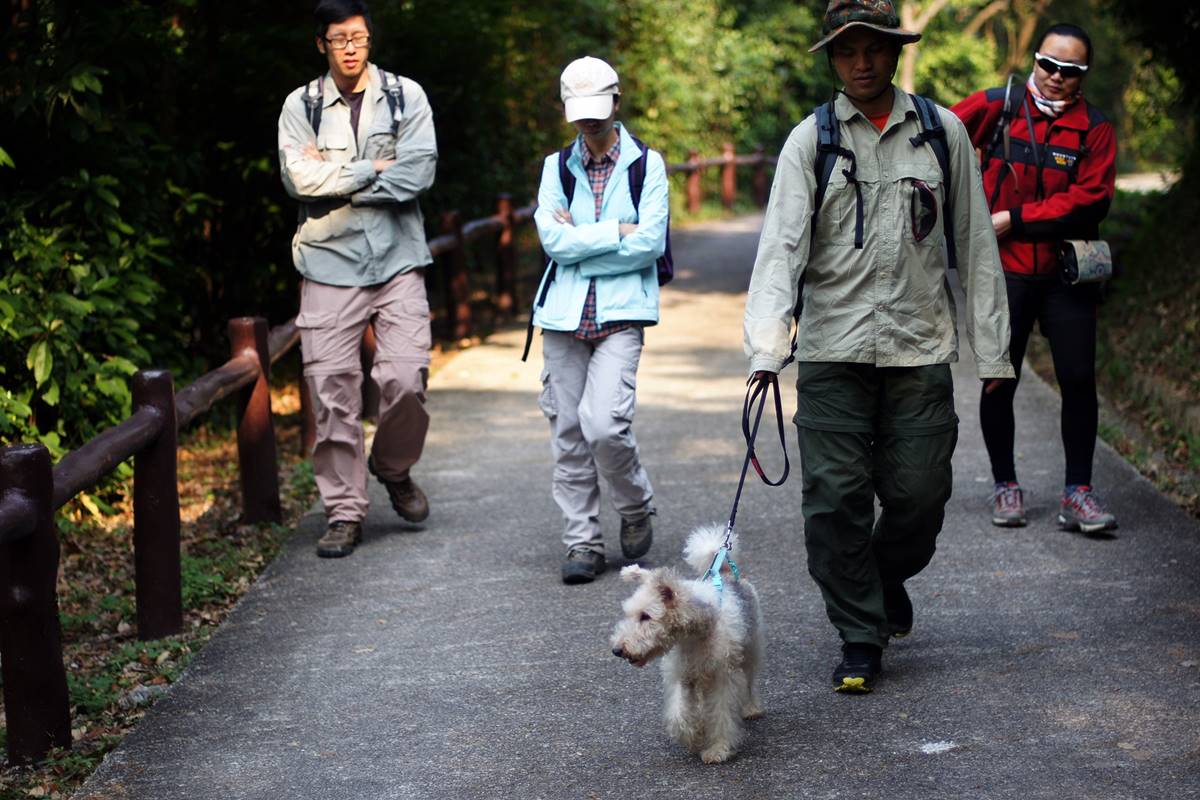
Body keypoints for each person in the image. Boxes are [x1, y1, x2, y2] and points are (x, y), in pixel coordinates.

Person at [743, 0, 1014, 692]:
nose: (861, 64)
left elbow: (975, 244)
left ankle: (881, 580)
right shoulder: (811, 139)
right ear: (833, 59)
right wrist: (767, 350)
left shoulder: (942, 132)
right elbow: (780, 250)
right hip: (832, 350)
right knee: (834, 502)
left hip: (919, 347)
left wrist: (994, 352)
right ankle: (860, 636)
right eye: (847, 51)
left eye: (873, 49)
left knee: (920, 497)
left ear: (895, 51)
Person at [278, 0, 438, 558]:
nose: (351, 48)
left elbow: (419, 172)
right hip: (327, 262)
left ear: (370, 39)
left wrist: (340, 182)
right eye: (339, 38)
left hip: (398, 258)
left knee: (407, 377)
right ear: (320, 43)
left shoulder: (405, 95)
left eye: (359, 37)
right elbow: (298, 179)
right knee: (332, 394)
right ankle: (344, 511)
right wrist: (372, 169)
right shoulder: (300, 105)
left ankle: (392, 467)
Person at [952, 24, 1118, 533]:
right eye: (1048, 64)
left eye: (1070, 70)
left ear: (1083, 76)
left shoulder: (1094, 129)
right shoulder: (997, 106)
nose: (1055, 76)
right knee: (998, 379)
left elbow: (1091, 200)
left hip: (1068, 273)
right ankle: (1006, 484)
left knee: (1078, 380)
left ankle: (1078, 492)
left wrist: (1015, 219)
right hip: (1004, 271)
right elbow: (936, 139)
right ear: (1034, 60)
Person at [532, 56, 668, 585]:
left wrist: (582, 241)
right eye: (579, 110)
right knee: (568, 432)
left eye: (598, 108)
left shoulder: (646, 165)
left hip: (621, 315)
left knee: (605, 426)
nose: (589, 120)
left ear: (617, 100)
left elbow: (649, 244)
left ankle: (634, 507)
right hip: (563, 316)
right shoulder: (555, 167)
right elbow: (553, 243)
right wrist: (616, 232)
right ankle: (582, 541)